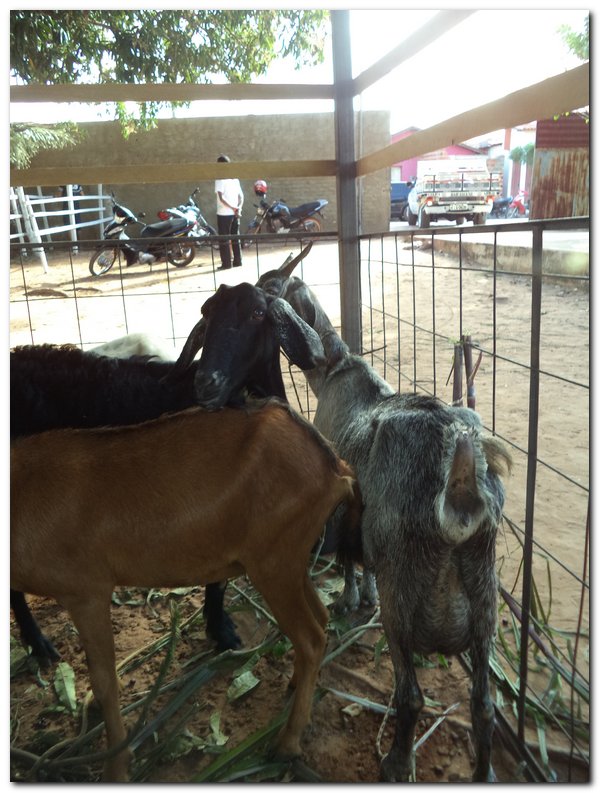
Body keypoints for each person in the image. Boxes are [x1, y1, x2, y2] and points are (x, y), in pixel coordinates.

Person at [215, 155, 244, 269]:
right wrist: (238, 208)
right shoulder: (235, 179)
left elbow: (221, 198)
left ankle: (226, 264)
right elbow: (241, 196)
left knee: (224, 239)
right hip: (235, 213)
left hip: (224, 214)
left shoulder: (220, 179)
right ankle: (238, 261)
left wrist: (233, 208)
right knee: (235, 237)